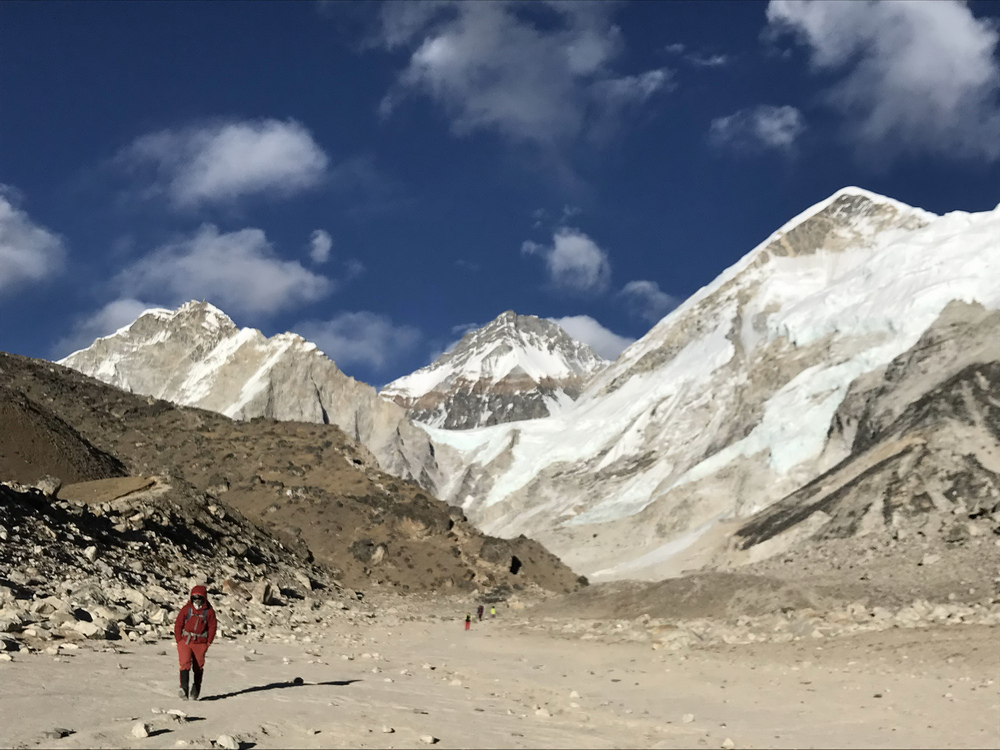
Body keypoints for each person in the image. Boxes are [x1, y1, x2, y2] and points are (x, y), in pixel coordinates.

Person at [173, 585, 217, 701]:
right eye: (194, 597)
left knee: (198, 667)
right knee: (185, 664)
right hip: (185, 641)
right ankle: (184, 689)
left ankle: (196, 689)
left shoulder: (209, 612)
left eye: (199, 597)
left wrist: (208, 642)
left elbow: (212, 627)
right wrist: (179, 640)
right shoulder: (186, 609)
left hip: (200, 643)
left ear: (204, 598)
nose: (197, 600)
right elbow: (178, 624)